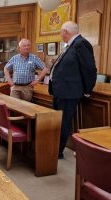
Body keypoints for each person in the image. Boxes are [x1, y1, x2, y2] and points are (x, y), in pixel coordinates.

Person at [49, 21, 97, 159]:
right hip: (60, 91)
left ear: (65, 32)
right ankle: (55, 148)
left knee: (64, 122)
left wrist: (88, 89)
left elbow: (89, 69)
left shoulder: (81, 44)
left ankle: (58, 152)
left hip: (69, 92)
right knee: (58, 121)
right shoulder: (70, 45)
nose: (61, 35)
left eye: (61, 32)